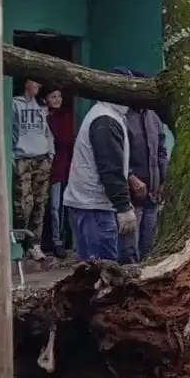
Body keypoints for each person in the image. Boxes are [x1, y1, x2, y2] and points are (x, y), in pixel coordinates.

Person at [62, 79, 136, 262]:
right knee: (100, 270)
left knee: (94, 267)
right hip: (94, 206)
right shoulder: (105, 119)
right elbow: (110, 168)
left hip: (91, 205)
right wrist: (123, 206)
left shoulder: (107, 114)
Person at [112, 68, 169, 262]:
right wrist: (130, 177)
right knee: (129, 252)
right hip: (130, 197)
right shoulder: (122, 117)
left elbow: (161, 149)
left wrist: (163, 179)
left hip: (152, 196)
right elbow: (116, 155)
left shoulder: (153, 116)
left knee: (149, 249)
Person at [11, 77, 54, 261]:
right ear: (26, 82)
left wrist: (50, 153)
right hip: (23, 158)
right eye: (34, 81)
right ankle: (18, 243)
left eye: (39, 82)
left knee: (40, 203)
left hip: (42, 158)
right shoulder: (15, 104)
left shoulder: (41, 106)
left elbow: (46, 131)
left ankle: (34, 245)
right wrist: (13, 155)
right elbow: (11, 129)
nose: (38, 85)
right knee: (22, 205)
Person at [43, 85, 75, 259]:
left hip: (59, 167)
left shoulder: (65, 117)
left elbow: (65, 138)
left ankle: (58, 241)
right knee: (40, 206)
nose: (57, 100)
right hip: (41, 165)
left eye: (59, 96)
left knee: (57, 207)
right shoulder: (40, 115)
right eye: (53, 96)